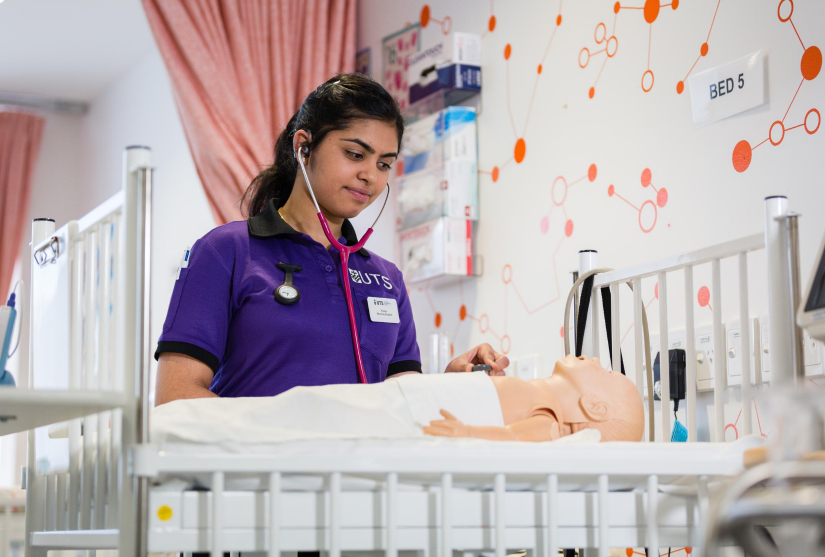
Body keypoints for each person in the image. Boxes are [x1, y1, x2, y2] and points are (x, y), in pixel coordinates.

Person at [154, 73, 508, 405]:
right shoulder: (226, 252)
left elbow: (404, 406)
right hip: (258, 470)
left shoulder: (387, 281)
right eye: (355, 154)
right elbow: (176, 396)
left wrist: (451, 382)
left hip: (355, 472)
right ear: (304, 147)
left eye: (384, 164)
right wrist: (291, 438)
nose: (370, 175)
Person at [151, 355, 645, 444]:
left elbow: (513, 438)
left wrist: (466, 432)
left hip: (409, 412)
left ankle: (179, 426)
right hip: (408, 395)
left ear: (594, 409)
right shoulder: (534, 392)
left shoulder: (547, 418)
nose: (592, 360)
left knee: (305, 413)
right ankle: (181, 421)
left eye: (602, 372)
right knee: (304, 405)